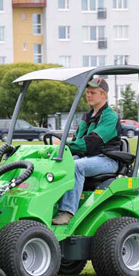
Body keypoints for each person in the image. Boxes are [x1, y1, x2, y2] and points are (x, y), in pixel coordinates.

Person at [52, 77, 122, 225]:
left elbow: (90, 143)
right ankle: (51, 204)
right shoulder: (88, 116)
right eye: (87, 92)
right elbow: (78, 139)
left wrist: (64, 147)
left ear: (103, 95)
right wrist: (61, 148)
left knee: (77, 166)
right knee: (59, 164)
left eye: (93, 92)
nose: (88, 95)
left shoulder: (109, 117)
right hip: (90, 157)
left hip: (106, 159)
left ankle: (68, 212)